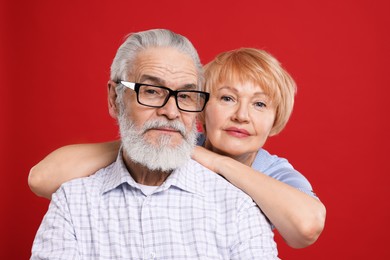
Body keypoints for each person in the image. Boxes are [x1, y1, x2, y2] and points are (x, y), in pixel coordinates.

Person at [30, 48, 326, 249]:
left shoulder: (274, 172)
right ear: (199, 106)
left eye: (260, 104)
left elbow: (306, 228)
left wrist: (219, 163)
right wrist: (145, 141)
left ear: (276, 119)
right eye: (227, 98)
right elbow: (42, 179)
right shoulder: (171, 148)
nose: (242, 116)